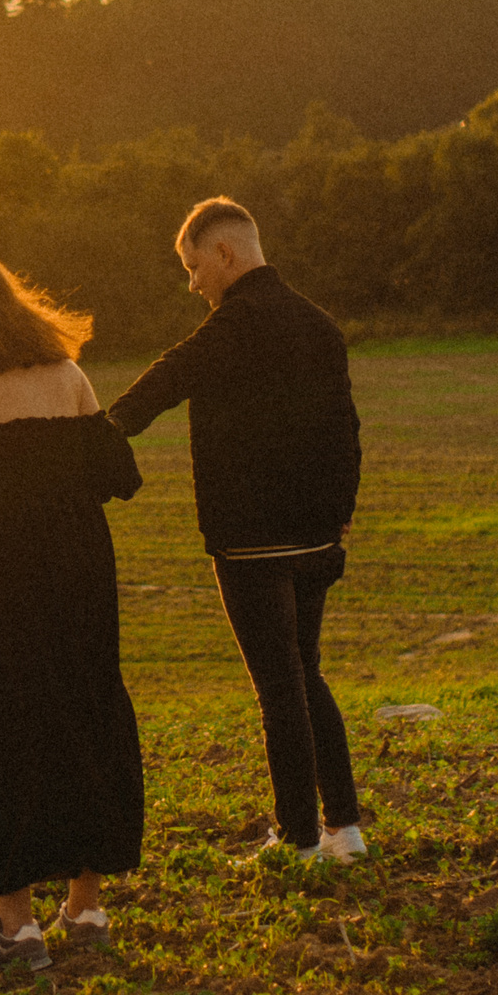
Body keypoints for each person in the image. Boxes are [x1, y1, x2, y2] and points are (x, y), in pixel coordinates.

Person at [105, 198, 367, 864]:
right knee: (307, 673)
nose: (192, 283)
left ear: (224, 254)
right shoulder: (320, 325)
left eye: (194, 267)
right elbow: (347, 431)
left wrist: (97, 438)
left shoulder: (231, 327)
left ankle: (300, 841)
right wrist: (338, 517)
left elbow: (161, 384)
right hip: (315, 538)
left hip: (250, 542)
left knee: (278, 687)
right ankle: (346, 829)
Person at [0, 243, 147, 969]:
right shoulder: (65, 369)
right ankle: (87, 906)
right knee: (87, 714)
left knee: (2, 733)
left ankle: (14, 926)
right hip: (81, 570)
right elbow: (120, 475)